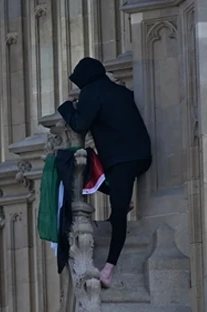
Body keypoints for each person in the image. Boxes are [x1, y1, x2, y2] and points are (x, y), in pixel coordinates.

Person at [57, 56, 153, 289]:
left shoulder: (92, 92)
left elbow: (80, 124)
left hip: (121, 159)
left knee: (117, 212)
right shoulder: (119, 91)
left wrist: (66, 107)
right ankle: (119, 196)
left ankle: (109, 268)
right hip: (141, 154)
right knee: (109, 187)